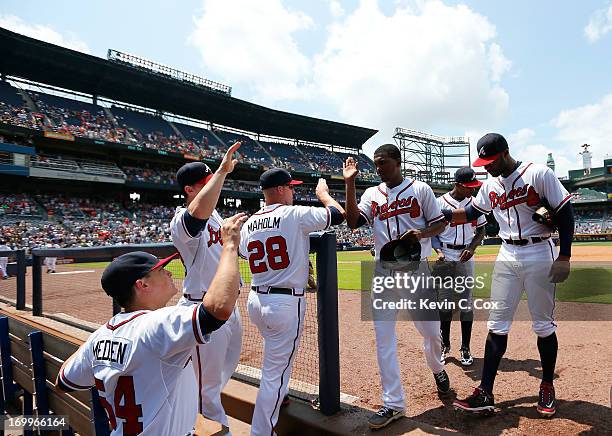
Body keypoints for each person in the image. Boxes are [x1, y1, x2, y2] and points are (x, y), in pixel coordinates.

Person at [56, 213, 247, 435]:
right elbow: (218, 309)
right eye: (160, 270)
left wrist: (95, 341)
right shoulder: (157, 325)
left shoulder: (101, 337)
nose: (168, 272)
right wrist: (230, 246)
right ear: (142, 285)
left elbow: (63, 382)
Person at [446, 133, 574, 417]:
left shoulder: (538, 173)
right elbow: (469, 213)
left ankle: (547, 385)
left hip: (539, 251)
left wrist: (564, 256)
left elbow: (566, 213)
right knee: (497, 324)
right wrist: (440, 213)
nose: (487, 167)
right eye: (484, 162)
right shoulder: (489, 185)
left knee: (543, 325)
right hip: (507, 254)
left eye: (491, 161)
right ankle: (485, 391)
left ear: (505, 153)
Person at [343, 144, 450, 430]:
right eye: (376, 164)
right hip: (383, 272)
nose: (379, 168)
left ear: (398, 162)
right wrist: (350, 183)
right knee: (383, 338)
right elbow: (353, 222)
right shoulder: (370, 194)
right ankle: (393, 403)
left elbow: (440, 224)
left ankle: (438, 369)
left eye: (384, 163)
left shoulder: (421, 189)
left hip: (415, 270)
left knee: (431, 333)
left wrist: (422, 233)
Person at [240, 168, 345, 436]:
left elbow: (243, 252)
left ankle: (282, 395)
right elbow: (337, 215)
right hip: (284, 303)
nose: (293, 191)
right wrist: (324, 195)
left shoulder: (250, 222)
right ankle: (261, 432)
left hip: (256, 300)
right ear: (278, 190)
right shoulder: (294, 213)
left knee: (274, 358)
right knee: (274, 374)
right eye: (290, 187)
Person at [170, 142, 243, 429]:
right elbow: (194, 215)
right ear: (189, 189)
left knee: (223, 375)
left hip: (228, 306)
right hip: (203, 308)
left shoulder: (215, 216)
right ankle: (209, 429)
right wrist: (223, 172)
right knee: (205, 390)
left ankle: (195, 422)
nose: (213, 185)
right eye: (205, 182)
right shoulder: (181, 220)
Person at [433, 167, 487, 367]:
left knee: (466, 303)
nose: (472, 191)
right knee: (444, 303)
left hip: (465, 254)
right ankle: (444, 344)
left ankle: (465, 347)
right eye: (469, 187)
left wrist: (472, 248)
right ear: (457, 185)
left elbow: (481, 229)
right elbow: (432, 232)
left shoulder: (475, 204)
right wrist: (438, 252)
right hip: (446, 254)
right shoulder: (439, 203)